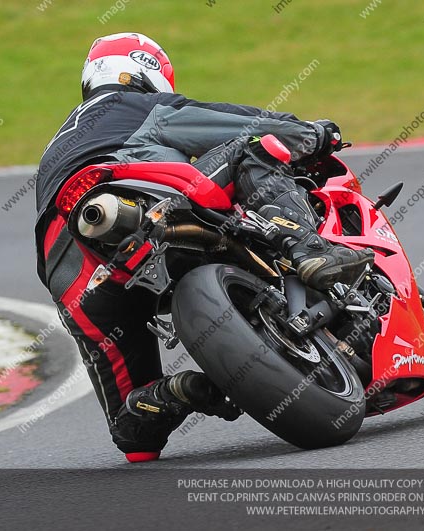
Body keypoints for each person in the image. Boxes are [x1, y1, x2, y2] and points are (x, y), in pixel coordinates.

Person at [34, 32, 374, 462]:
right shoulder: (131, 105)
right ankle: (307, 248)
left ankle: (173, 393)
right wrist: (310, 134)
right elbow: (244, 125)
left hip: (69, 265)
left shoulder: (56, 146)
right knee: (253, 149)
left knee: (132, 432)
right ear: (148, 73)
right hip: (145, 199)